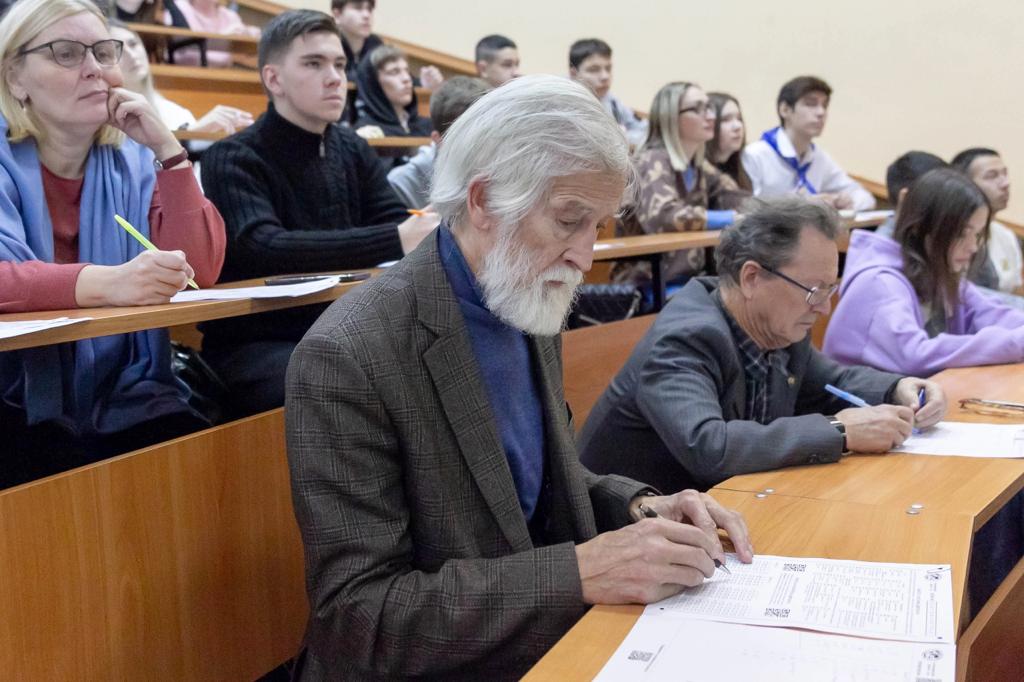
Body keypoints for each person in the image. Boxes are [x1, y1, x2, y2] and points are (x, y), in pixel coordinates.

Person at [285, 74, 754, 679]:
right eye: (568, 220)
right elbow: (360, 617)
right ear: (483, 201)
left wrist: (642, 507)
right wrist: (582, 572)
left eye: (597, 226)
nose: (585, 256)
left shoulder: (525, 294)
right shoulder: (347, 354)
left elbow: (530, 488)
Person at [0, 0, 226, 488]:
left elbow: (200, 270)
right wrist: (109, 283)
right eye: (66, 53)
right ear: (15, 77)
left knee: (195, 462)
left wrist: (168, 150)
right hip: (11, 390)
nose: (94, 69)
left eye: (104, 52)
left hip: (121, 388)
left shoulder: (134, 158)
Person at [580, 197, 945, 492]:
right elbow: (708, 446)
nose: (824, 307)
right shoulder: (687, 338)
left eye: (829, 289)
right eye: (814, 290)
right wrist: (840, 430)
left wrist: (899, 388)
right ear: (752, 278)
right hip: (624, 526)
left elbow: (835, 382)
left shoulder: (779, 330)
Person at [198, 9, 436, 419]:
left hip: (346, 326)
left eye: (340, 65)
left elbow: (394, 219)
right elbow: (262, 245)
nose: (334, 78)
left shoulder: (352, 147)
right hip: (258, 339)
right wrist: (397, 238)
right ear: (274, 79)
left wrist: (420, 229)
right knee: (336, 379)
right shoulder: (232, 156)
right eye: (314, 63)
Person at [824, 168, 1024, 376]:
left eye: (978, 235)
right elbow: (914, 356)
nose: (973, 247)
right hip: (862, 396)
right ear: (921, 228)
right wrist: (1013, 343)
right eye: (962, 234)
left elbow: (990, 313)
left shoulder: (940, 271)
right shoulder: (879, 282)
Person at [614, 81, 748, 288]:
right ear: (671, 117)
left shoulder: (698, 166)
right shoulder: (652, 159)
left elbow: (736, 197)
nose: (710, 116)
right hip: (647, 284)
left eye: (709, 107)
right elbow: (663, 215)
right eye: (697, 109)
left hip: (690, 282)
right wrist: (729, 218)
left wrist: (778, 208)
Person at [743, 76, 875, 211]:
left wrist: (844, 201)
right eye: (811, 104)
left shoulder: (818, 158)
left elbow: (865, 198)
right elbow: (746, 209)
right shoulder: (755, 155)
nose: (821, 112)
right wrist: (802, 205)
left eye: (824, 106)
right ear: (785, 110)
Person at [110, 22, 253, 134]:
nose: (132, 55)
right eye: (117, 50)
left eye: (133, 44)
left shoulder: (175, 112)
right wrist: (191, 133)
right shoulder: (108, 120)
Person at [387, 75, 490, 209]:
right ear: (439, 140)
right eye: (470, 138)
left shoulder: (501, 167)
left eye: (488, 134)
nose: (483, 145)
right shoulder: (402, 182)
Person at [952, 147, 1023, 295]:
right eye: (992, 176)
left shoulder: (1006, 236)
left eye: (1005, 174)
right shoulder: (950, 237)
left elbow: (1014, 294)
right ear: (964, 184)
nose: (1005, 183)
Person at [330, 0, 442, 86]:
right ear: (337, 15)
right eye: (358, 8)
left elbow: (396, 76)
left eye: (369, 9)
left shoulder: (375, 43)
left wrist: (422, 82)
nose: (366, 15)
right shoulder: (329, 43)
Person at [568, 38, 646, 147]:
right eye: (594, 69)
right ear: (574, 74)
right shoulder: (562, 104)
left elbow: (644, 130)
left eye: (608, 68)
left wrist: (624, 137)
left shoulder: (611, 102)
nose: (605, 76)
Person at [353, 44, 431, 139]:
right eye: (394, 72)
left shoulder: (428, 125)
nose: (406, 78)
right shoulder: (366, 132)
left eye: (406, 71)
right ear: (374, 83)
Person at [166, 0, 261, 68]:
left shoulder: (229, 16)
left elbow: (251, 44)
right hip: (186, 78)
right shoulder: (177, 9)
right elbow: (186, 56)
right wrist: (224, 40)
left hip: (223, 79)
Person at [706, 92, 751, 191]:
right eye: (726, 120)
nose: (738, 126)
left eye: (739, 119)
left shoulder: (744, 166)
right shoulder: (700, 174)